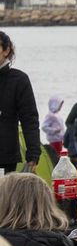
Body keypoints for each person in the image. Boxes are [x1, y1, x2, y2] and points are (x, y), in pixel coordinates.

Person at [0, 34, 40, 176]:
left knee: (3, 198)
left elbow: (29, 119)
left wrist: (33, 154)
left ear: (6, 50)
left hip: (4, 157)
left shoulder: (19, 80)